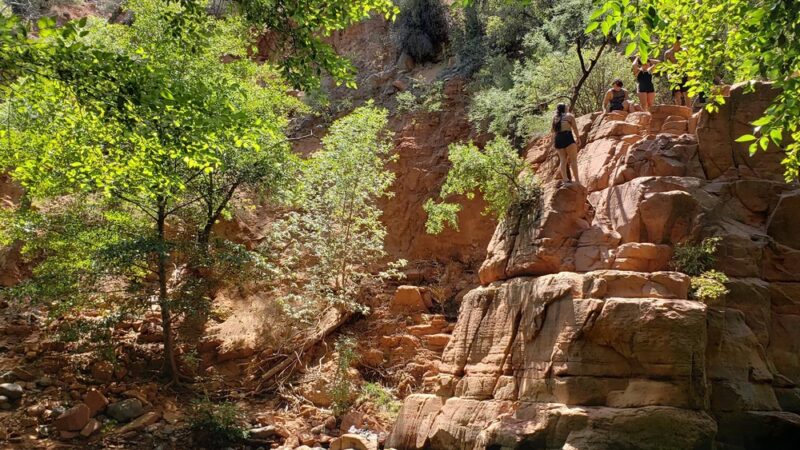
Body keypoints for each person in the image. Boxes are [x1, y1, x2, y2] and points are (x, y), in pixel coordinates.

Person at [551, 103, 581, 185]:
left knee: (563, 160)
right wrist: (578, 138)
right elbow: (575, 128)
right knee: (573, 160)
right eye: (566, 106)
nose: (568, 107)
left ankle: (565, 180)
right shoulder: (569, 116)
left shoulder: (554, 117)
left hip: (558, 139)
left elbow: (552, 131)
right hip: (567, 137)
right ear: (564, 108)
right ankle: (577, 180)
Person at [664, 37, 690, 106]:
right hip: (674, 75)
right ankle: (679, 111)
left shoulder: (685, 51)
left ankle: (689, 111)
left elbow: (689, 64)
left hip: (683, 73)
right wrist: (669, 75)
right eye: (677, 42)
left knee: (686, 93)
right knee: (677, 94)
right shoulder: (668, 53)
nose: (678, 44)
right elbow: (667, 67)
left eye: (680, 43)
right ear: (673, 42)